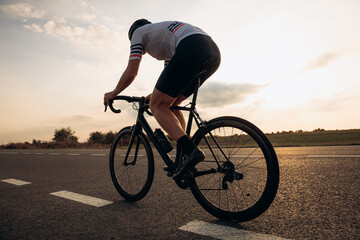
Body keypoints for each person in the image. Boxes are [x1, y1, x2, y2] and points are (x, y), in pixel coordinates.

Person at [104, 19, 221, 180]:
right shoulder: (164, 36)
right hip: (211, 52)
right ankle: (182, 158)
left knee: (156, 106)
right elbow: (170, 83)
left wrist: (113, 92)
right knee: (171, 105)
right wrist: (153, 96)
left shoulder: (138, 33)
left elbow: (132, 72)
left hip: (191, 47)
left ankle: (191, 151)